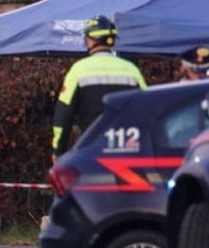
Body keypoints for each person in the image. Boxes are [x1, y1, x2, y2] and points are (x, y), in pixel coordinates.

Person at [51, 16, 145, 155]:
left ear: (90, 40)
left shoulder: (78, 70)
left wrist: (58, 150)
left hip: (90, 151)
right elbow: (148, 110)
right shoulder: (132, 70)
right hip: (125, 150)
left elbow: (63, 116)